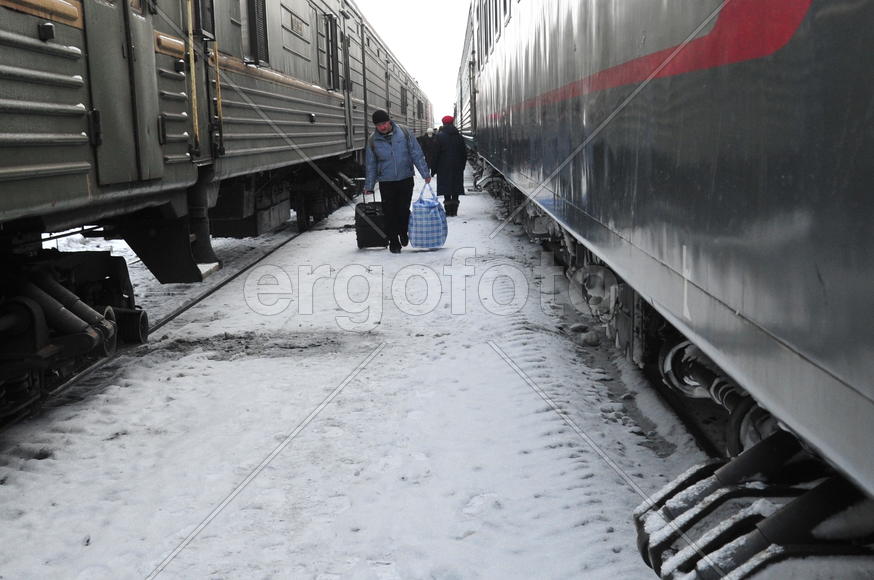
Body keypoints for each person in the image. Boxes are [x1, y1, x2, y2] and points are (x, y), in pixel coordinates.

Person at [364, 109, 431, 253]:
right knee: (389, 212)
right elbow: (371, 164)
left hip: (405, 178)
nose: (382, 127)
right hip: (386, 181)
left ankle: (403, 231)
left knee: (403, 209)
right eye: (378, 125)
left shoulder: (404, 132)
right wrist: (369, 185)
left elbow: (416, 153)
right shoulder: (372, 140)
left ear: (389, 121)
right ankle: (394, 241)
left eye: (384, 123)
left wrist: (425, 173)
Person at [431, 115, 467, 216]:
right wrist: (462, 166)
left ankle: (448, 211)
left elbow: (435, 155)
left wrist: (433, 169)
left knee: (446, 188)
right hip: (457, 167)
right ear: (452, 123)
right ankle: (454, 211)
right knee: (456, 188)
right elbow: (464, 154)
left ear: (443, 123)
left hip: (443, 167)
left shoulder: (439, 137)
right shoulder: (459, 137)